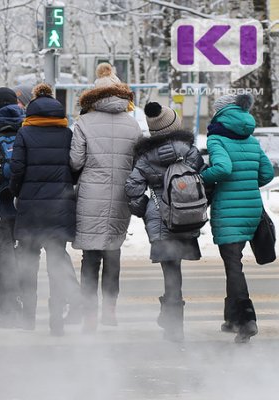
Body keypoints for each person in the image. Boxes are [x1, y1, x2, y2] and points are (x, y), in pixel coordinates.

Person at [70, 62, 142, 333]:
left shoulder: (84, 122)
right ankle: (110, 310)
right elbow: (138, 162)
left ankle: (89, 314)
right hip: (121, 194)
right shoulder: (133, 125)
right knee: (113, 253)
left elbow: (75, 162)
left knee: (91, 256)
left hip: (91, 194)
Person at [125, 102, 205, 342]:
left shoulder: (145, 155)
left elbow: (132, 188)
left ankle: (172, 322)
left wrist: (145, 209)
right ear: (174, 124)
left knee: (170, 269)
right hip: (186, 217)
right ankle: (173, 322)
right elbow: (201, 179)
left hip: (160, 217)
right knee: (176, 268)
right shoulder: (189, 150)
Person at [200, 93, 274, 343]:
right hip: (252, 208)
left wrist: (202, 178)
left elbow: (223, 168)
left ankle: (246, 320)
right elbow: (265, 174)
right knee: (234, 266)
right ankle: (232, 319)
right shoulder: (251, 140)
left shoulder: (217, 138)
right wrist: (247, 182)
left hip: (229, 210)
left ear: (220, 113)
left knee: (233, 266)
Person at [10, 83, 81, 336]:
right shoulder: (67, 133)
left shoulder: (24, 133)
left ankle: (28, 318)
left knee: (28, 264)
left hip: (31, 208)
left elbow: (16, 168)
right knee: (57, 266)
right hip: (59, 206)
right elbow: (75, 167)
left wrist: (19, 192)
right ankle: (56, 322)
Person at [0, 87, 26, 327]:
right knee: (22, 255)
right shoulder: (25, 127)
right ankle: (21, 303)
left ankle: (4, 305)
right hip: (20, 202)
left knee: (0, 255)